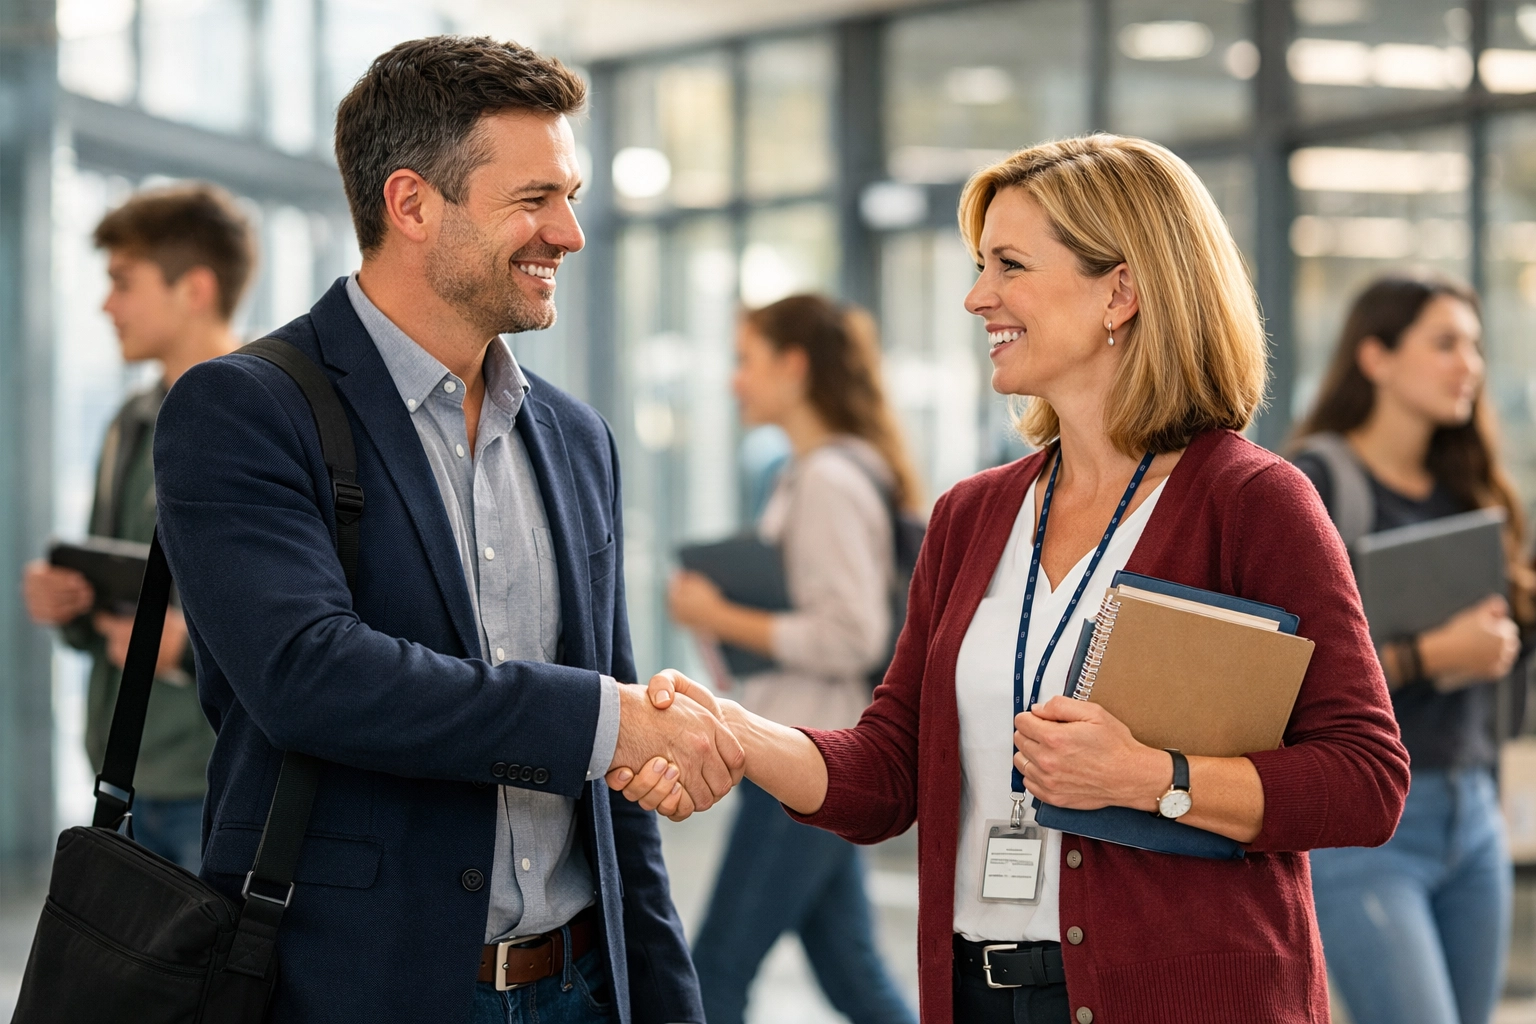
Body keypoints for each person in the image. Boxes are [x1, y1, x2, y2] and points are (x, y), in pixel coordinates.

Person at [610, 134, 1411, 1024]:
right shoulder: (971, 515)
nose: (976, 296)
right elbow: (891, 771)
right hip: (977, 994)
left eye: (1010, 265)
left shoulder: (1251, 502)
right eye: (979, 265)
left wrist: (1152, 777)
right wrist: (735, 731)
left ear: (1121, 291)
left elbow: (1366, 780)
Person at [150, 37, 742, 1023]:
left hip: (581, 985)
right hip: (363, 990)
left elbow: (614, 799)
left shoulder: (576, 437)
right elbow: (309, 676)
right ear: (412, 204)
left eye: (570, 196)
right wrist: (606, 720)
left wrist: (666, 1000)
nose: (569, 233)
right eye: (534, 199)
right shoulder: (243, 409)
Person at [666, 294, 919, 1024]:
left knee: (713, 977)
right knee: (852, 973)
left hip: (804, 751)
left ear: (794, 366)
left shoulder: (828, 480)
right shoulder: (811, 472)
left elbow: (852, 635)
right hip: (814, 743)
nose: (734, 380)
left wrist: (718, 616)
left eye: (746, 360)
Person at [1293, 274, 1530, 1024]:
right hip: (1369, 826)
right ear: (1377, 357)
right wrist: (1431, 656)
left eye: (1475, 346)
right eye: (1445, 343)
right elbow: (1287, 677)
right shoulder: (1314, 486)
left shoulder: (1470, 488)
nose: (1470, 365)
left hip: (1474, 811)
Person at [22, 183, 250, 871]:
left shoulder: (269, 422)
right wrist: (69, 601)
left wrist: (187, 652)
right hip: (122, 776)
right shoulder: (130, 424)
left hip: (216, 786)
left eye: (123, 283)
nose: (106, 305)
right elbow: (112, 586)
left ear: (195, 290)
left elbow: (321, 620)